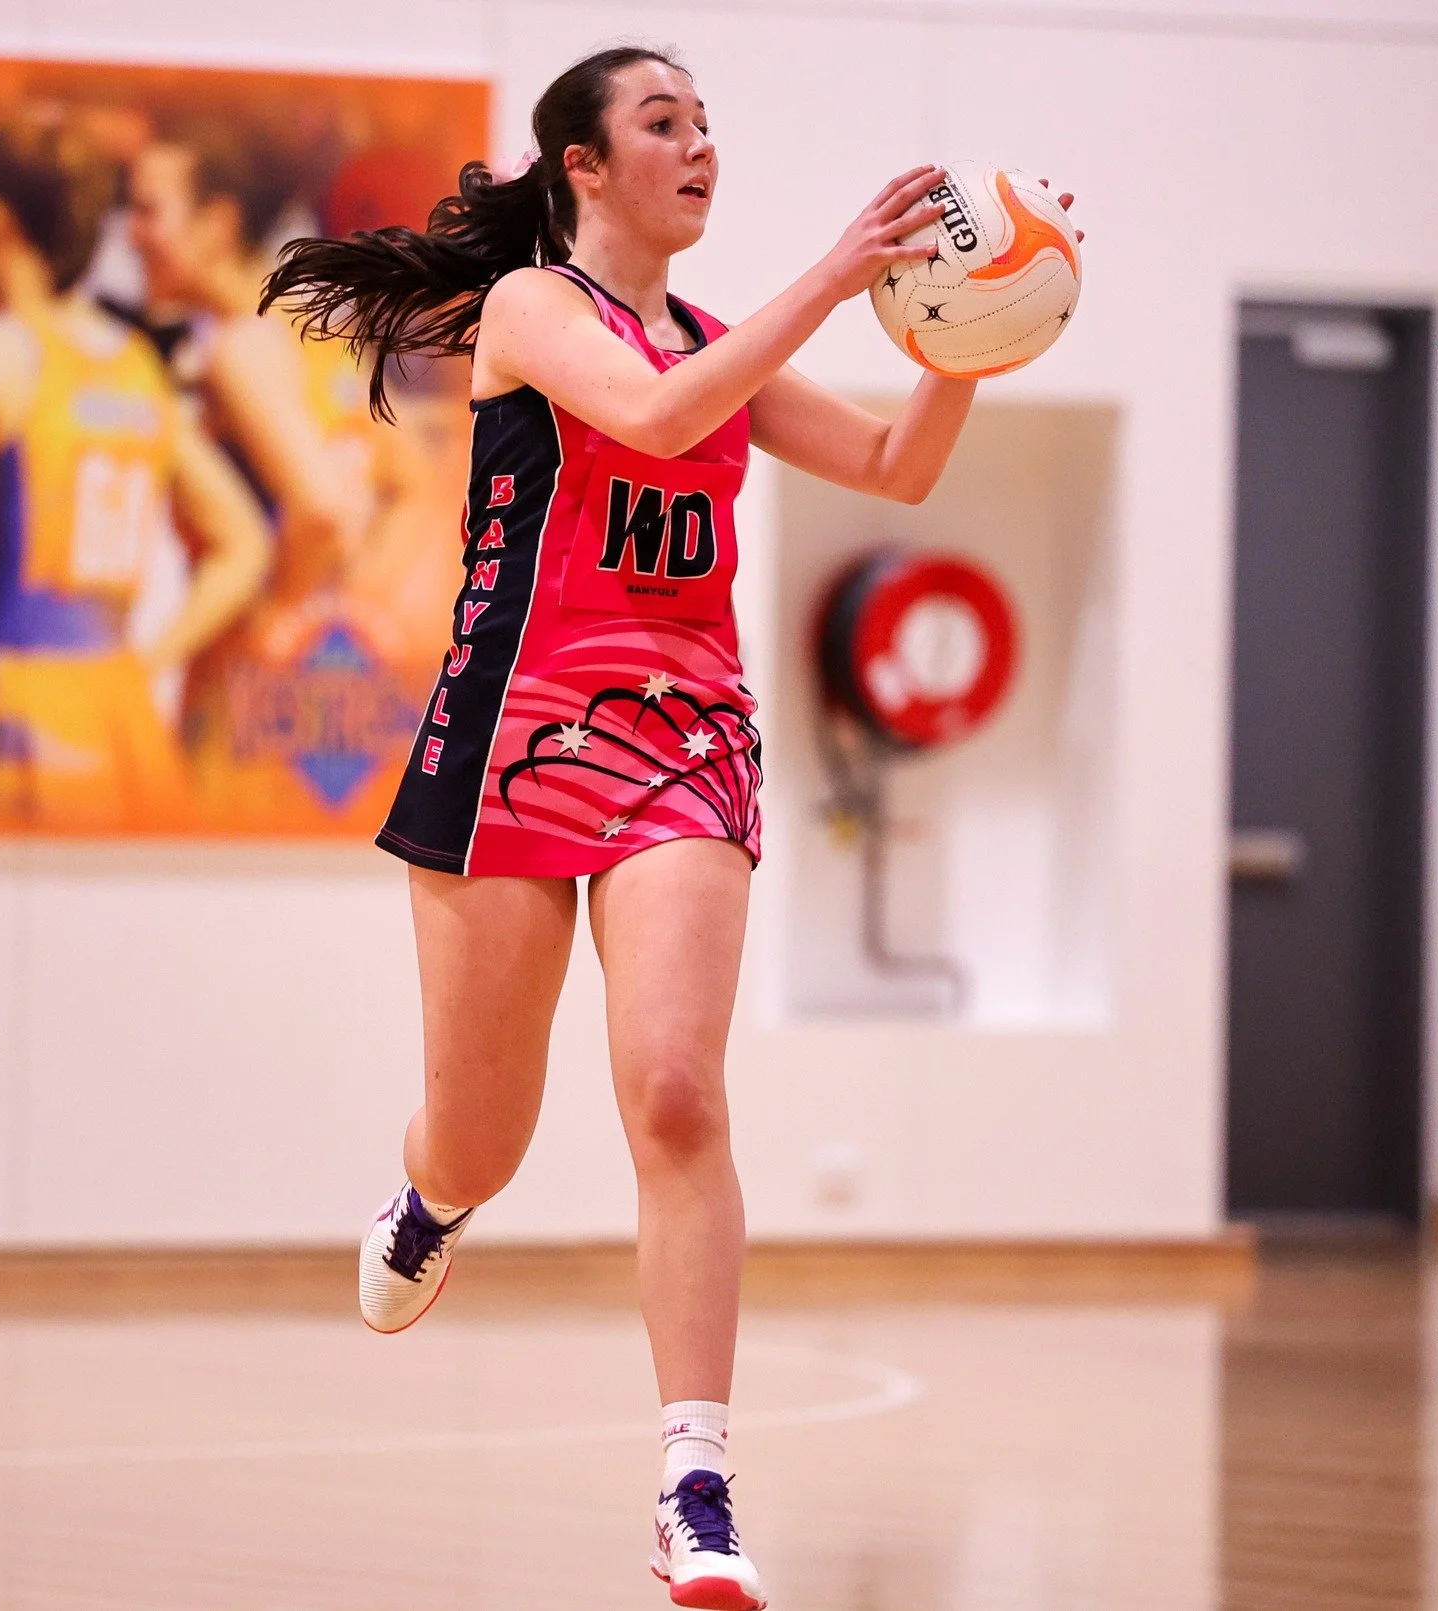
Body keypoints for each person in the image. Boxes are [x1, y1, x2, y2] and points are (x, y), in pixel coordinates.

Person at [264, 45, 1079, 1610]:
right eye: (663, 123)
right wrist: (837, 273)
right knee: (483, 1131)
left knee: (677, 1091)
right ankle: (434, 1195)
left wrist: (972, 326)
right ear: (584, 165)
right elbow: (648, 414)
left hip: (683, 736)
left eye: (708, 122)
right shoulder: (533, 310)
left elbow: (899, 466)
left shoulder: (721, 341)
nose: (700, 144)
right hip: (511, 730)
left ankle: (693, 1483)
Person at [0, 119, 271, 831]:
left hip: (15, 706)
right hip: (120, 711)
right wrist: (149, 659)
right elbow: (243, 541)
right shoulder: (135, 363)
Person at [126, 119, 450, 832]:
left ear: (217, 223)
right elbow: (412, 486)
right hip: (336, 692)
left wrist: (281, 615)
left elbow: (322, 507)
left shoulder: (238, 348)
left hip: (247, 690)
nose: (129, 234)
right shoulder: (320, 327)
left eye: (147, 210)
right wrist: (349, 608)